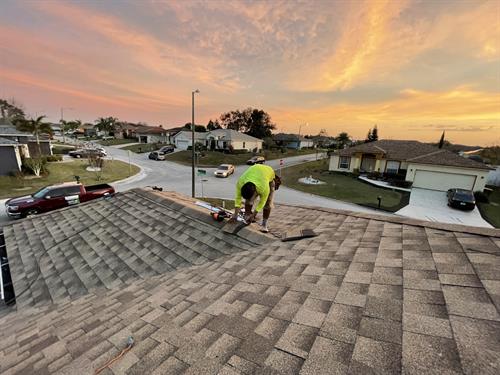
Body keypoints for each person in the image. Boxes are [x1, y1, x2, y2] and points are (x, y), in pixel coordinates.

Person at [230, 163, 281, 232]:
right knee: (249, 201)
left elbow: (262, 202)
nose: (248, 200)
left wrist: (254, 215)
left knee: (268, 204)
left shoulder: (264, 188)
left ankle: (264, 225)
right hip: (255, 170)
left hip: (269, 176)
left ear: (255, 192)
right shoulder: (240, 183)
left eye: (251, 197)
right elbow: (238, 199)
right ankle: (247, 216)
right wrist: (235, 215)